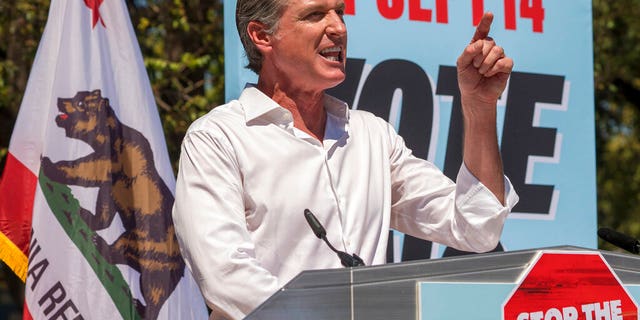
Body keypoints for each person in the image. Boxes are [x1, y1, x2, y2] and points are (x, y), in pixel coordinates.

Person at [172, 0, 519, 319]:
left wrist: (479, 106)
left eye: (340, 11)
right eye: (315, 14)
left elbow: (478, 228)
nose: (338, 27)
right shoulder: (217, 138)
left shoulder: (371, 135)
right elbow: (226, 277)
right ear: (263, 36)